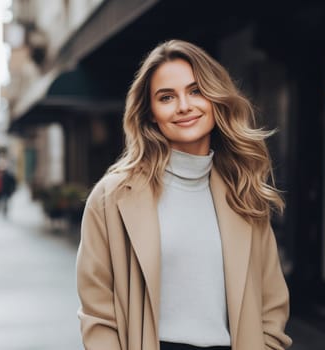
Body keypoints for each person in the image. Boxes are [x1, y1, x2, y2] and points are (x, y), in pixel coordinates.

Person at [76, 40, 291, 350]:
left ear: (216, 99)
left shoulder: (243, 192)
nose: (184, 106)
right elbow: (97, 313)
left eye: (196, 91)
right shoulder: (113, 197)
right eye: (166, 97)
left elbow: (271, 304)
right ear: (150, 113)